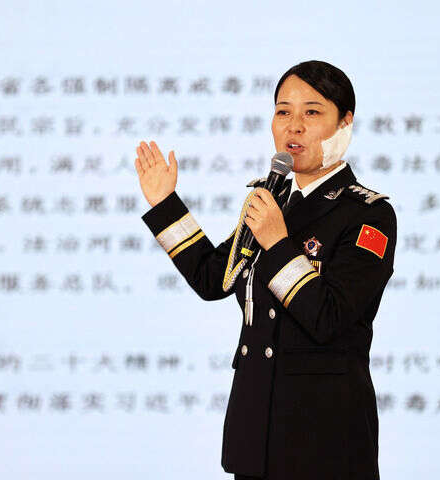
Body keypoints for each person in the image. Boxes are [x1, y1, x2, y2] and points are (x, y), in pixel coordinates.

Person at [134, 60, 396, 480]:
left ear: (345, 123)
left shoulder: (368, 214)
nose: (294, 126)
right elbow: (213, 278)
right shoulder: (271, 199)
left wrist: (277, 244)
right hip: (256, 433)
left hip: (325, 438)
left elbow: (328, 317)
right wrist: (166, 205)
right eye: (282, 111)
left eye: (312, 112)